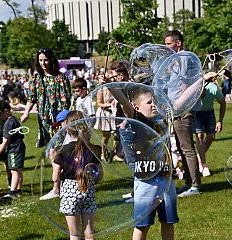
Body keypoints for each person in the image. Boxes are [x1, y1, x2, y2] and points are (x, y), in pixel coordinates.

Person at [109, 86, 179, 240]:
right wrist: (110, 86)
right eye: (149, 102)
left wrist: (202, 80)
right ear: (137, 108)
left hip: (166, 179)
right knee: (142, 226)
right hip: (146, 183)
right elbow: (125, 104)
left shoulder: (160, 120)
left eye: (154, 101)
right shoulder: (135, 121)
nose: (154, 104)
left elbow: (181, 102)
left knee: (168, 222)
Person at [52, 111, 103, 240]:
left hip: (69, 191)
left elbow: (55, 177)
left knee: (74, 235)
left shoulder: (63, 150)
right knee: (89, 233)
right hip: (88, 189)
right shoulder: (93, 149)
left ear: (68, 131)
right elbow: (100, 176)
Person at [165, 30, 202, 197]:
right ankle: (188, 182)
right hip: (176, 109)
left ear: (178, 43)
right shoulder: (176, 60)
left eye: (168, 44)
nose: (166, 47)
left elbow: (185, 84)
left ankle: (195, 185)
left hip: (183, 109)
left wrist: (179, 105)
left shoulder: (184, 57)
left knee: (187, 147)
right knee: (181, 147)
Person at [20, 48, 71, 147]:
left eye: (45, 60)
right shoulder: (36, 78)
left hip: (58, 118)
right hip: (43, 119)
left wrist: (64, 119)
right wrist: (26, 112)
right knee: (50, 148)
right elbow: (31, 98)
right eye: (40, 60)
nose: (43, 63)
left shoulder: (61, 78)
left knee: (59, 147)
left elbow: (66, 101)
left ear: (51, 60)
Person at [0, 101, 26, 198]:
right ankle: (18, 191)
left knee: (14, 171)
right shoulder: (13, 120)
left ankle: (12, 193)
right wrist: (0, 145)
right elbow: (7, 139)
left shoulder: (8, 123)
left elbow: (7, 140)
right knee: (18, 170)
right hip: (19, 147)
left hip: (15, 149)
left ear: (6, 111)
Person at [194, 78, 226, 177]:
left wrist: (220, 121)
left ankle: (199, 157)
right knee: (199, 136)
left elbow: (223, 103)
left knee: (211, 136)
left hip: (209, 112)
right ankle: (203, 165)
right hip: (196, 112)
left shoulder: (213, 89)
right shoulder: (193, 92)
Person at [40, 109, 70, 200]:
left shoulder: (73, 134)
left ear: (67, 122)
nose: (58, 128)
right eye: (56, 126)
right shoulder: (61, 135)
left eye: (60, 124)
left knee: (55, 156)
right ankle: (57, 188)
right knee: (52, 152)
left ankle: (56, 189)